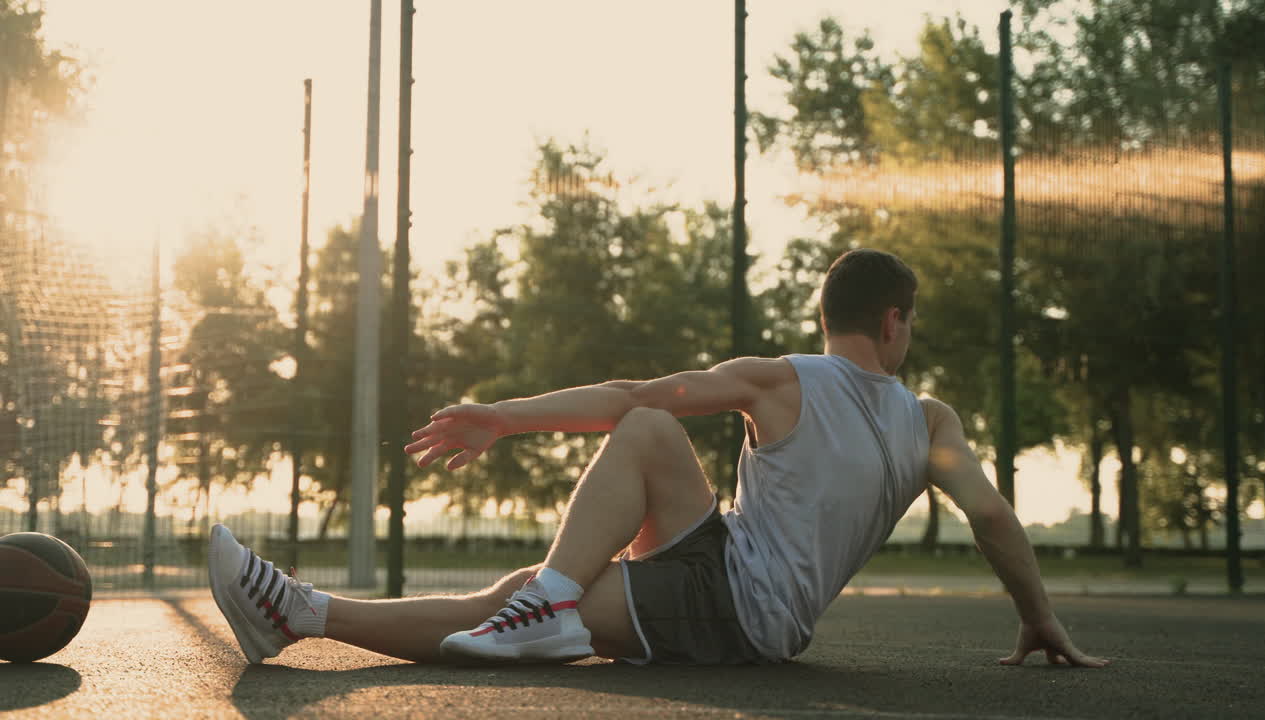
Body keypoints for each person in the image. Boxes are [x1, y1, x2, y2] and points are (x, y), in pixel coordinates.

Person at [208, 248, 1109, 668]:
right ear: (895, 320)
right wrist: (1038, 617)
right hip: (737, 585)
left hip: (735, 604)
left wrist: (503, 417)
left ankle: (321, 612)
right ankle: (310, 611)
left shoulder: (779, 380)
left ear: (831, 319)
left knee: (622, 454)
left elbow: (634, 397)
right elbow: (993, 518)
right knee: (530, 578)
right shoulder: (933, 423)